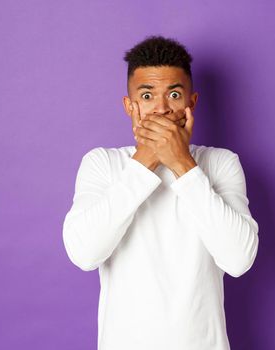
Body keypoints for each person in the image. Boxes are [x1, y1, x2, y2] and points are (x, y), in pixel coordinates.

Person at [62, 35, 260, 350]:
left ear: (191, 103)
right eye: (147, 95)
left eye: (174, 94)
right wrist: (147, 160)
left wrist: (182, 164)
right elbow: (85, 254)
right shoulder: (103, 164)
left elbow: (238, 260)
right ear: (130, 106)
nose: (162, 109)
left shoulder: (221, 163)